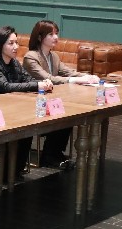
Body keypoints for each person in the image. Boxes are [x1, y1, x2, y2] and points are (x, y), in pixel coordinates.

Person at [0, 26, 55, 180]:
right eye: (11, 43)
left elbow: (28, 79)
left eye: (16, 43)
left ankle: (15, 170)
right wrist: (37, 85)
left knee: (27, 128)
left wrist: (43, 83)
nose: (15, 47)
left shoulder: (14, 63)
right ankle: (6, 173)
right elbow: (5, 87)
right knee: (20, 128)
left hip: (11, 110)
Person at [22, 20, 99, 169]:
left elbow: (69, 72)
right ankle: (49, 155)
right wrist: (76, 80)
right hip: (34, 102)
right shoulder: (31, 57)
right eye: (51, 34)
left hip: (51, 100)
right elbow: (48, 78)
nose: (56, 37)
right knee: (63, 113)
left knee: (69, 114)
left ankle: (54, 153)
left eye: (56, 33)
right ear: (40, 37)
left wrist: (87, 77)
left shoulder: (54, 56)